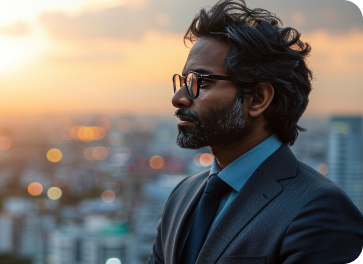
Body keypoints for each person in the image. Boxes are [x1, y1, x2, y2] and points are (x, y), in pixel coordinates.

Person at [147, 0, 363, 263]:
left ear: (258, 99)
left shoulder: (320, 210)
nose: (179, 98)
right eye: (184, 81)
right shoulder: (182, 195)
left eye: (200, 82)